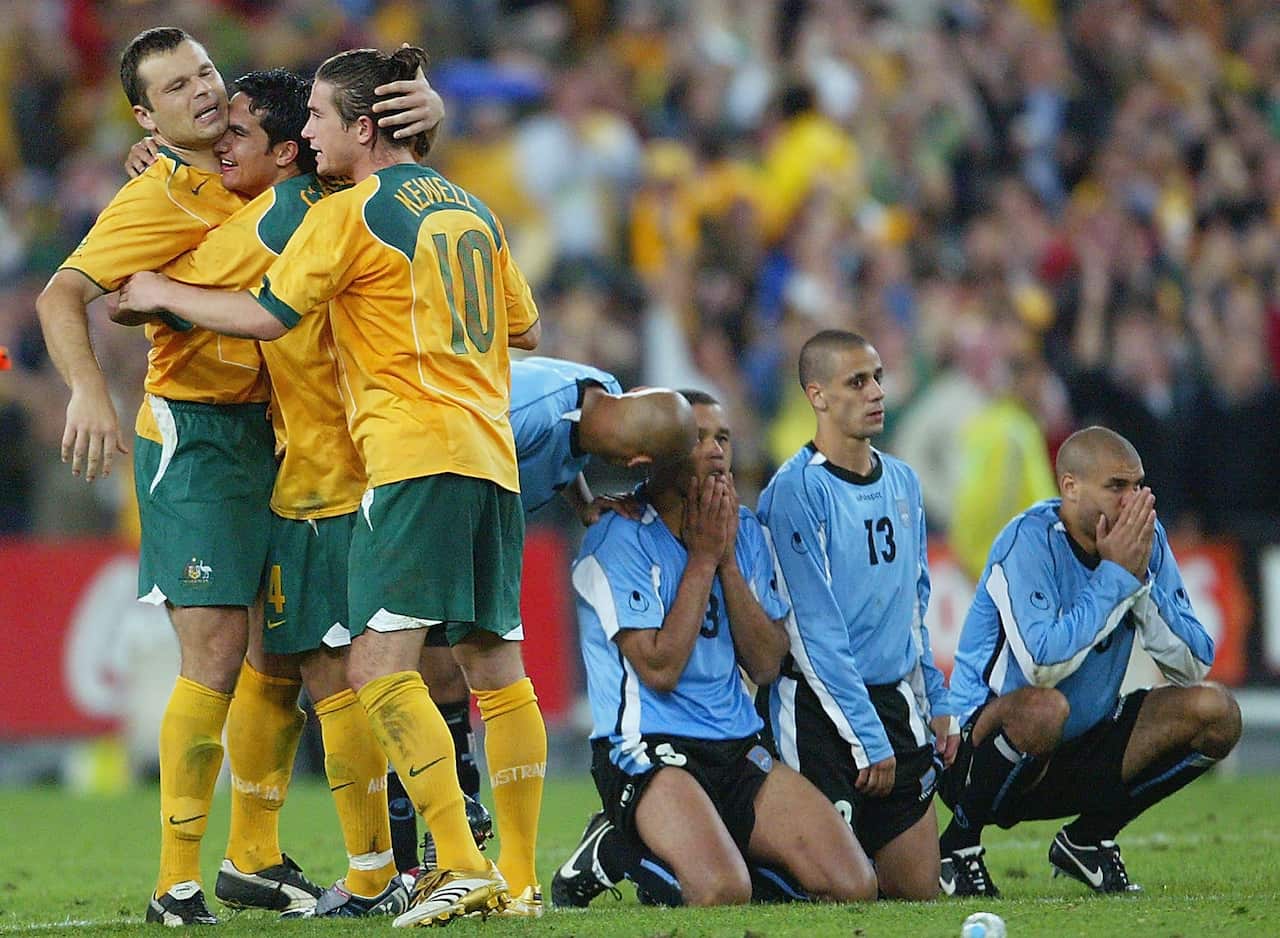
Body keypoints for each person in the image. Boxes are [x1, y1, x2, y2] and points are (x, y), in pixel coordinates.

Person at [118, 46, 545, 926]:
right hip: (489, 455)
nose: (307, 138)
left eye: (315, 121)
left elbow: (263, 311)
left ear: (359, 127)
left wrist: (162, 287)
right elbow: (522, 329)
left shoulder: (342, 215)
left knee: (375, 671)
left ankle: (453, 863)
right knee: (492, 667)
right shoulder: (474, 206)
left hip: (394, 460)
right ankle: (515, 876)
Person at [36, 28, 435, 926]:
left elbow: (378, 150)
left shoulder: (270, 178)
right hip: (201, 435)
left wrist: (426, 104)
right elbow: (62, 294)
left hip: (284, 435)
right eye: (178, 88)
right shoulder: (158, 193)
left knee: (285, 657)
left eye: (207, 73)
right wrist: (87, 395)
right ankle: (175, 883)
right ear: (147, 116)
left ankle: (255, 858)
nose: (205, 93)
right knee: (215, 654)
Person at [552, 389, 878, 908]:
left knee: (853, 884)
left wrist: (726, 563)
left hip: (735, 741)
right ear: (657, 457)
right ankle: (613, 847)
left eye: (722, 437)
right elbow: (658, 667)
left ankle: (710, 844)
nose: (715, 450)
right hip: (647, 747)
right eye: (697, 438)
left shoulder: (744, 531)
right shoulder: (618, 537)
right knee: (722, 891)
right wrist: (703, 561)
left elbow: (767, 663)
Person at [395, 356, 697, 876]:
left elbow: (565, 452)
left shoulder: (602, 392)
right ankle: (406, 856)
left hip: (467, 528)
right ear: (637, 461)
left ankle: (448, 847)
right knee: (404, 674)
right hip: (425, 511)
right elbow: (443, 445)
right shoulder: (527, 411)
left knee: (448, 677)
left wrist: (581, 502)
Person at [938, 426, 1242, 897]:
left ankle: (1088, 839)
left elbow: (1193, 663)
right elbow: (1042, 665)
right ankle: (957, 846)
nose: (1134, 500)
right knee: (1045, 708)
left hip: (1079, 745)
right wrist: (1115, 579)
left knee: (1217, 713)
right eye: (1117, 487)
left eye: (1139, 485)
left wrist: (1137, 585)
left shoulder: (1144, 540)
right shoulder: (1028, 542)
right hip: (982, 750)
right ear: (1071, 487)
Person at [756, 329, 957, 900]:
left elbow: (914, 603)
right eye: (857, 382)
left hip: (891, 703)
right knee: (843, 892)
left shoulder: (903, 482)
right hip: (819, 712)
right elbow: (813, 631)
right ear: (817, 396)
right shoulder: (795, 491)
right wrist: (867, 737)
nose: (876, 393)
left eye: (878, 379)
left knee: (918, 896)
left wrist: (934, 700)